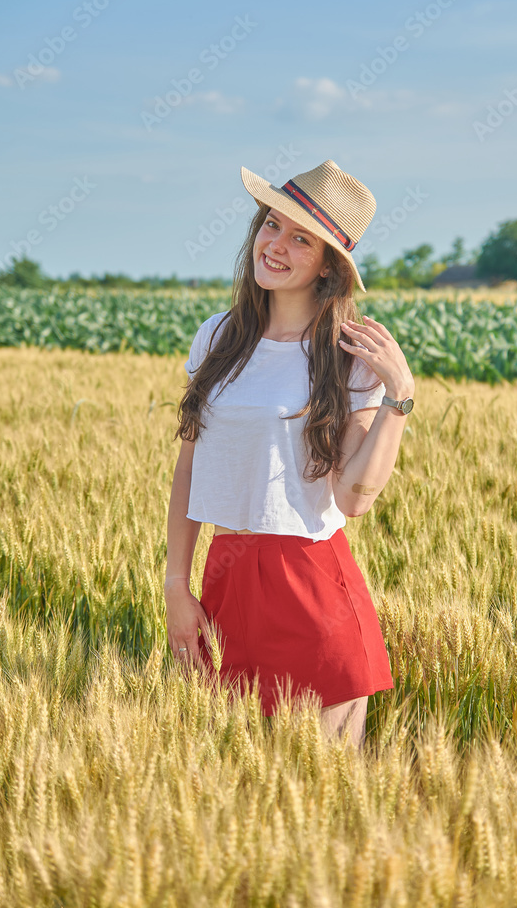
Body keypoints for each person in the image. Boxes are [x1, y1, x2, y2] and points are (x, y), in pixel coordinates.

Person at [164, 158, 415, 750]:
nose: (273, 245)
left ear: (330, 265)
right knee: (227, 800)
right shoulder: (218, 337)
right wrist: (177, 584)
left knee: (325, 806)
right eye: (270, 225)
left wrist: (397, 399)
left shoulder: (347, 356)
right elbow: (190, 468)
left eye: (300, 238)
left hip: (312, 586)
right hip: (225, 580)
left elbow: (353, 499)